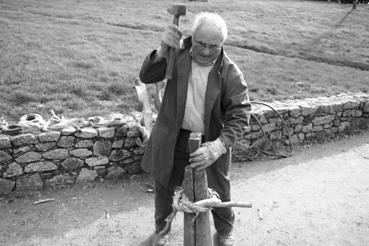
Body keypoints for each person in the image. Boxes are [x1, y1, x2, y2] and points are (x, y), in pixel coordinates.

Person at [139, 12, 251, 246]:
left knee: (219, 190)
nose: (207, 51)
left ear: (222, 44)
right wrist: (162, 50)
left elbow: (240, 116)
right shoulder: (177, 54)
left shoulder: (230, 73)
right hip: (172, 135)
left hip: (209, 142)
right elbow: (147, 75)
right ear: (193, 37)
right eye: (201, 44)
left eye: (214, 46)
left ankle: (223, 233)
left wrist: (218, 147)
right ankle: (162, 230)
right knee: (163, 185)